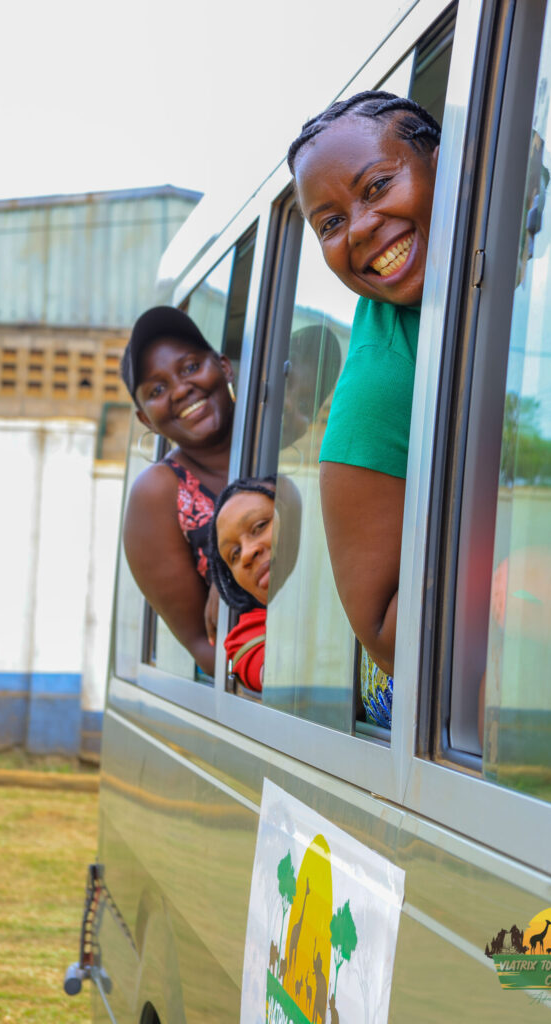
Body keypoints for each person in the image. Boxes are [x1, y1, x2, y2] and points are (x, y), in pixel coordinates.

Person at [287, 90, 441, 720]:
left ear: (445, 161)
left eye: (377, 186)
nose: (358, 228)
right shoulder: (380, 380)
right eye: (329, 224)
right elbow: (383, 634)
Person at [120, 305, 236, 675]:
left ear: (224, 366)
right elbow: (204, 645)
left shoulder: (277, 439)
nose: (181, 389)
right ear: (145, 419)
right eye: (157, 389)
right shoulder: (159, 493)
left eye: (189, 367)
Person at [208, 475, 302, 691]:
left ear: (296, 518)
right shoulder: (246, 638)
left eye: (259, 526)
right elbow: (285, 678)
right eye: (234, 554)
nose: (247, 554)